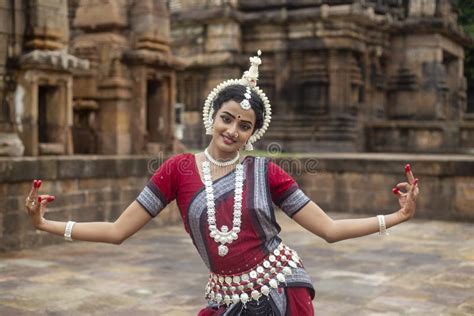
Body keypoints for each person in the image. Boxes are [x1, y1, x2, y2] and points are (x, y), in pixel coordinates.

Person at [24, 51, 419, 316]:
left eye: (244, 126)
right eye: (227, 119)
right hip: (225, 300)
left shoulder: (267, 173)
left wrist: (397, 217)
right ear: (212, 116)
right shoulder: (176, 170)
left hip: (283, 294)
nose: (232, 130)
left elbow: (330, 230)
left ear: (253, 134)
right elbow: (116, 231)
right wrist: (47, 225)